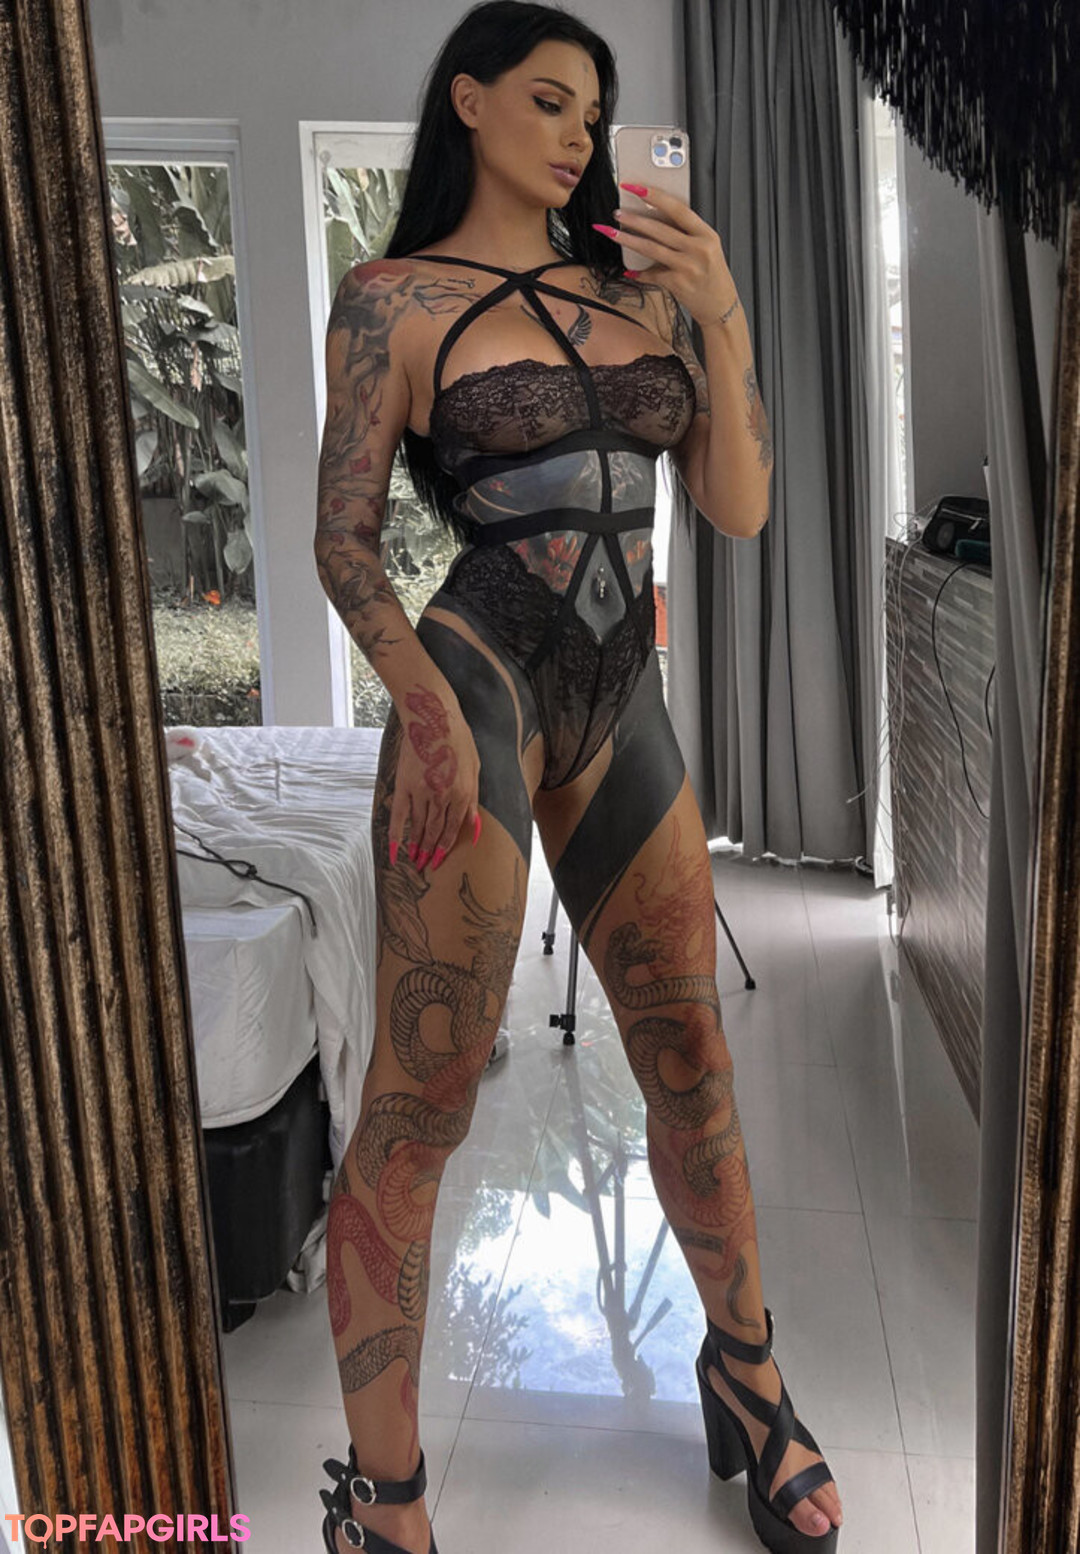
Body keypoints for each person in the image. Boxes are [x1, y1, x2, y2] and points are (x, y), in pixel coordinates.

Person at [313, 4, 844, 1552]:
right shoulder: (392, 298)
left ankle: (747, 1372)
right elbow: (345, 540)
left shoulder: (646, 290)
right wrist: (419, 703)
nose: (577, 134)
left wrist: (721, 312)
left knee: (695, 1062)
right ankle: (384, 1500)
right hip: (478, 681)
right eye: (548, 101)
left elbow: (737, 506)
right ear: (469, 102)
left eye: (594, 115)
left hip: (624, 695)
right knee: (421, 1097)